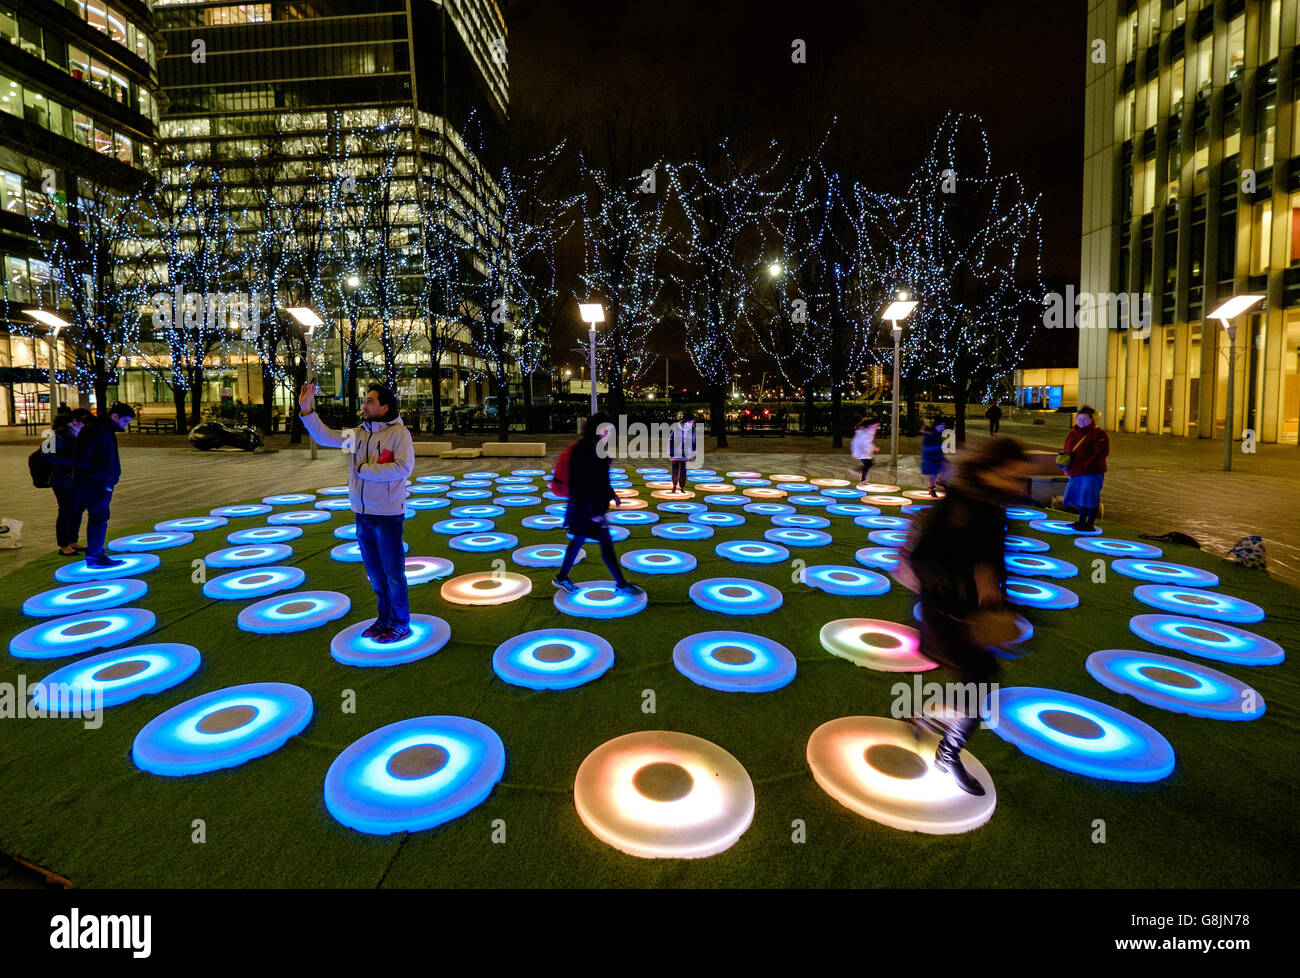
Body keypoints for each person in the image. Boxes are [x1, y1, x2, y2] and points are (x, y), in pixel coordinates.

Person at [905, 438, 1035, 795]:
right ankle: (947, 753)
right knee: (981, 677)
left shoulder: (991, 506)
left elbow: (989, 557)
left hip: (973, 612)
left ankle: (933, 722)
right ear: (990, 471)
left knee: (978, 679)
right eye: (1011, 477)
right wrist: (971, 587)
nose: (1017, 486)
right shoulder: (960, 508)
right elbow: (924, 560)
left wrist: (996, 596)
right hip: (948, 611)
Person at [299, 382, 414, 643]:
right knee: (374, 571)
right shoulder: (358, 434)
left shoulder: (399, 433)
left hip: (387, 514)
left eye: (371, 401)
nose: (364, 405)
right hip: (362, 514)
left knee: (393, 572)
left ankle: (401, 622)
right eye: (365, 400)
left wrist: (364, 470)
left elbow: (404, 468)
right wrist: (308, 410)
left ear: (385, 406)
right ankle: (384, 618)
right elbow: (325, 437)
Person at [553, 413, 643, 596]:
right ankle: (621, 584)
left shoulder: (595, 446)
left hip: (586, 507)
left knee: (578, 540)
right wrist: (594, 512)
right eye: (607, 429)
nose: (610, 432)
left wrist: (612, 493)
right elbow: (584, 483)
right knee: (605, 544)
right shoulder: (585, 449)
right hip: (587, 508)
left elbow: (599, 478)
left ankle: (562, 577)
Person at [73, 402, 135, 568]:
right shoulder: (95, 430)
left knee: (100, 517)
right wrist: (102, 477)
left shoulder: (104, 430)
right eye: (125, 421)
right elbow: (83, 458)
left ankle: (96, 554)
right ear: (115, 416)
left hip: (100, 482)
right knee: (98, 517)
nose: (125, 425)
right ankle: (95, 556)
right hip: (95, 483)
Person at [48, 408, 91, 555]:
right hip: (63, 480)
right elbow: (47, 456)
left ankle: (73, 540)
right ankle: (64, 544)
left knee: (78, 509)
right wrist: (71, 461)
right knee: (66, 511)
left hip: (78, 479)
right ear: (75, 421)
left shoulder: (80, 435)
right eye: (84, 423)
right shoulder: (59, 435)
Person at [1060, 405, 1109, 532]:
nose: (1081, 422)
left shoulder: (1099, 434)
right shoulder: (1073, 433)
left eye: (1085, 419)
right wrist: (1066, 464)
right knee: (1077, 496)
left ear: (1092, 420)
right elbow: (1066, 449)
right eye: (1079, 419)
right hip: (1076, 472)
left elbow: (1101, 453)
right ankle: (1081, 520)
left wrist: (1087, 464)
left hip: (1091, 472)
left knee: (1090, 497)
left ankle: (1090, 523)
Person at [667, 411, 696, 492]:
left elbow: (694, 440)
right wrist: (671, 452)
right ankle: (674, 485)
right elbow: (671, 440)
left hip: (685, 453)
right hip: (675, 452)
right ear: (685, 420)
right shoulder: (677, 427)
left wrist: (693, 451)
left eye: (692, 422)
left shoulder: (692, 428)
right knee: (675, 469)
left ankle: (682, 486)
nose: (691, 423)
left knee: (683, 470)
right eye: (690, 422)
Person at [919, 422, 946, 497]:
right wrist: (937, 448)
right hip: (930, 457)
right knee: (933, 475)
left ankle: (937, 484)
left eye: (943, 427)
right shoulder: (928, 434)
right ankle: (932, 489)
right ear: (936, 426)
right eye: (941, 426)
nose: (943, 428)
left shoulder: (938, 434)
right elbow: (925, 446)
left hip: (936, 457)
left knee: (940, 472)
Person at [849, 418, 879, 485]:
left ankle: (862, 480)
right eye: (875, 426)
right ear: (870, 425)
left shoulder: (867, 431)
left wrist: (873, 448)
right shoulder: (867, 432)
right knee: (869, 464)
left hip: (861, 450)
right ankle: (856, 471)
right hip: (861, 450)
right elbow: (866, 443)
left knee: (868, 464)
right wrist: (872, 449)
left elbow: (868, 442)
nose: (876, 428)